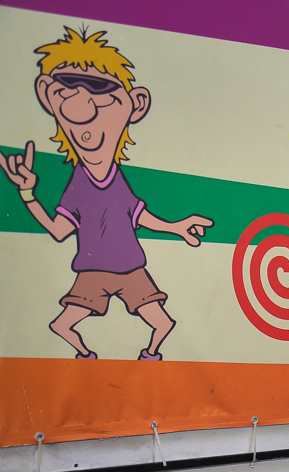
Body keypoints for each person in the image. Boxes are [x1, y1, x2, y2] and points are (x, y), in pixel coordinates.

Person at [1, 27, 212, 360]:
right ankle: (85, 355)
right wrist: (27, 193)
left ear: (135, 105)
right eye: (67, 92)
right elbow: (58, 230)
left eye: (100, 91)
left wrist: (175, 226)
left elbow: (137, 214)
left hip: (130, 269)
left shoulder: (117, 179)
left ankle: (150, 355)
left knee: (163, 323)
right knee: (62, 325)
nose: (82, 109)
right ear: (48, 97)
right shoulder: (79, 182)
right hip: (94, 271)